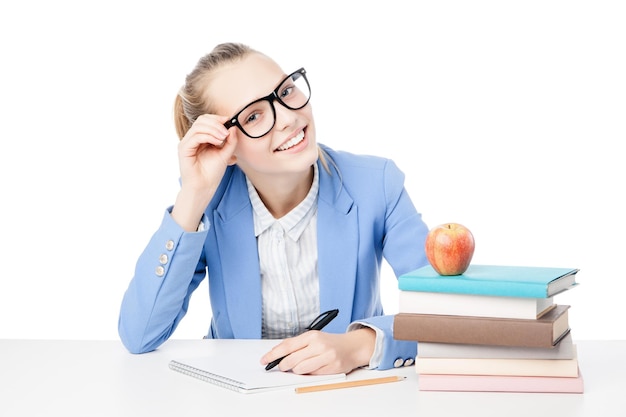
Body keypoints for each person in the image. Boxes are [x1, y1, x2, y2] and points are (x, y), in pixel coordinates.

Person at [118, 42, 430, 375]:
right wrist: (194, 196)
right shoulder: (207, 202)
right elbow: (139, 334)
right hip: (236, 392)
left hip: (344, 393)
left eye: (285, 91)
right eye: (254, 115)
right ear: (224, 145)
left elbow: (445, 316)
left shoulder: (376, 184)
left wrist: (360, 345)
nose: (288, 118)